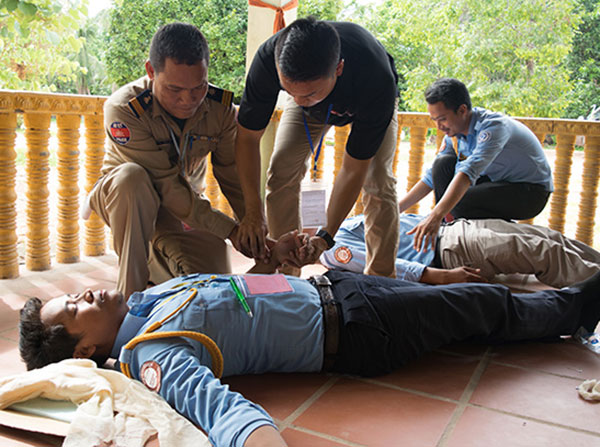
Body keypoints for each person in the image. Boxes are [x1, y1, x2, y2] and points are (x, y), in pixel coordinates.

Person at [19, 233, 600, 447]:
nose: (87, 293)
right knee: (480, 305)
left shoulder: (148, 301)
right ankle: (577, 308)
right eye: (73, 309)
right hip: (357, 330)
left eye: (75, 292)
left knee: (467, 309)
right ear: (82, 352)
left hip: (340, 290)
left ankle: (560, 311)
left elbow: (247, 290)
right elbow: (215, 408)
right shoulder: (154, 348)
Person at [85, 23, 246, 298]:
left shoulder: (221, 110)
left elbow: (232, 174)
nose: (188, 100)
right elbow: (166, 186)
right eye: (174, 89)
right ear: (151, 71)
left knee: (211, 283)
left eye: (199, 86)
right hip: (127, 200)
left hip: (184, 207)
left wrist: (252, 226)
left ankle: (157, 275)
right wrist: (231, 231)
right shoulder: (124, 109)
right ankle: (128, 302)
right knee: (132, 179)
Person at [234, 17, 400, 277]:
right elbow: (247, 139)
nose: (300, 101)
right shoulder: (268, 61)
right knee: (281, 171)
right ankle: (287, 272)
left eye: (309, 94)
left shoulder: (375, 77)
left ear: (339, 69)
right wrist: (253, 212)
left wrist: (325, 238)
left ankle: (381, 279)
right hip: (318, 109)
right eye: (289, 91)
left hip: (368, 102)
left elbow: (353, 169)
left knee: (378, 181)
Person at [399, 78, 553, 253]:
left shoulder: (493, 127)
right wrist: (396, 210)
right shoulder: (454, 134)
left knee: (459, 201)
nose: (438, 126)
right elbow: (430, 178)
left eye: (442, 119)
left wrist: (434, 215)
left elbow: (467, 174)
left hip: (531, 193)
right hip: (495, 184)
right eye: (434, 120)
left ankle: (466, 233)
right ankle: (450, 228)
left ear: (462, 110)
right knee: (442, 164)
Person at [320, 214, 600, 288]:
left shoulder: (345, 221)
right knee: (542, 251)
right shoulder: (333, 249)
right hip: (450, 250)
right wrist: (445, 276)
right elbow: (387, 268)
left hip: (457, 229)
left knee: (549, 237)